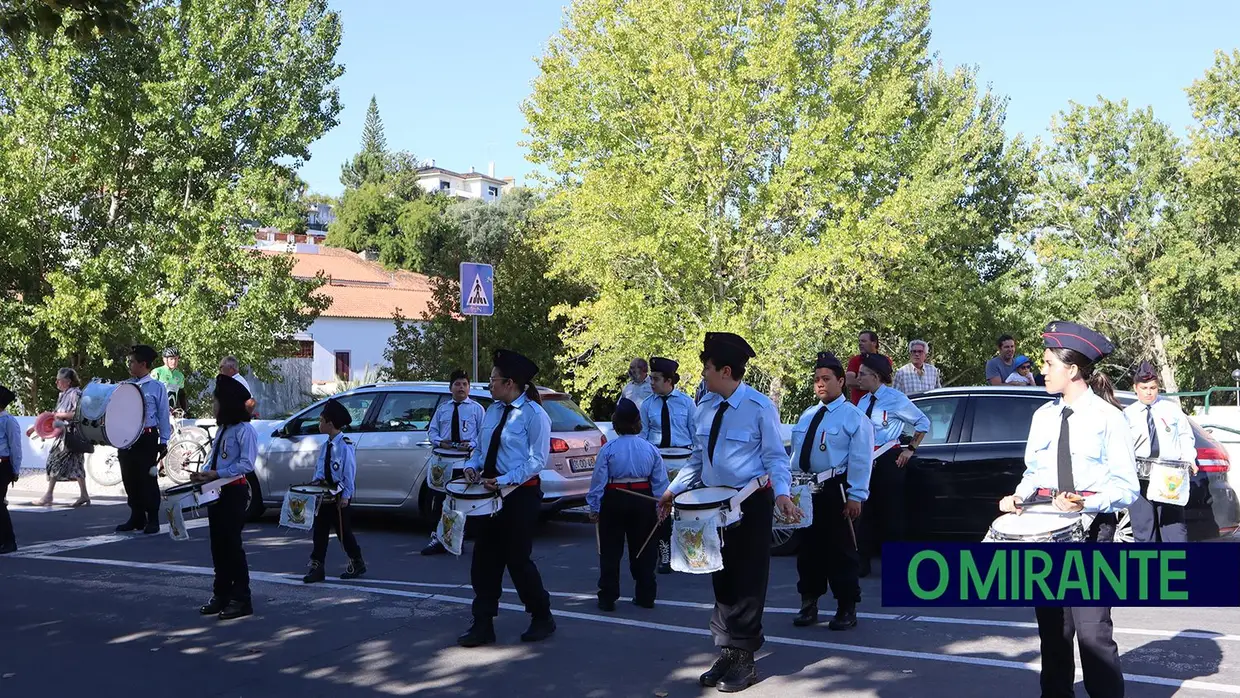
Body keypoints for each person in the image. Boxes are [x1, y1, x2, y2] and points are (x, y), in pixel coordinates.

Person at [998, 321, 1138, 698]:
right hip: (1047, 533)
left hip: (1093, 532)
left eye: (1048, 362)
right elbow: (1033, 472)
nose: (1041, 369)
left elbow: (1128, 487)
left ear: (1072, 368)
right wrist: (1018, 498)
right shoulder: (1042, 416)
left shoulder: (1109, 417)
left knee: (1094, 636)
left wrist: (1087, 501)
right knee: (1053, 635)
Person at [656, 332, 797, 693]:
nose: (702, 374)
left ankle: (744, 657)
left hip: (748, 504)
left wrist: (782, 495)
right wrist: (672, 491)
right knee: (720, 577)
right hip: (711, 507)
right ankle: (727, 650)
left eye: (707, 368)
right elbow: (696, 459)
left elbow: (775, 458)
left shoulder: (759, 407)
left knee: (748, 581)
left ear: (726, 370)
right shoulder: (704, 407)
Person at [457, 349, 556, 648]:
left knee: (518, 560)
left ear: (510, 382)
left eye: (492, 379)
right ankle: (483, 623)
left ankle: (542, 615)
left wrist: (501, 480)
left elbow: (536, 461)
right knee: (484, 560)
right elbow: (480, 448)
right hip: (487, 496)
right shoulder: (493, 410)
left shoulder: (534, 415)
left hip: (518, 495)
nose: (488, 385)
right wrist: (472, 467)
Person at [790, 352, 874, 631]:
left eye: (826, 379)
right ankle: (809, 602)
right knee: (808, 551)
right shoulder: (808, 414)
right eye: (816, 379)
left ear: (841, 381)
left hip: (835, 489)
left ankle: (846, 607)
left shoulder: (854, 417)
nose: (820, 384)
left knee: (841, 551)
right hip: (805, 488)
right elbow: (796, 455)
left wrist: (856, 496)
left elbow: (861, 459)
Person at [587, 398, 669, 611]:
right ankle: (646, 594)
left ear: (616, 422)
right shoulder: (650, 449)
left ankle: (607, 596)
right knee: (644, 549)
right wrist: (661, 507)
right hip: (643, 499)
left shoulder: (609, 449)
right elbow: (660, 481)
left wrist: (594, 507)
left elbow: (599, 481)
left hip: (615, 498)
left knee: (610, 550)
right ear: (637, 422)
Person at [855, 353, 929, 576]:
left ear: (876, 376)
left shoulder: (895, 398)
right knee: (863, 513)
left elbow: (922, 422)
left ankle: (896, 564)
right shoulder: (863, 401)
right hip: (866, 461)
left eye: (862, 375)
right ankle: (862, 562)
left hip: (888, 459)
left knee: (891, 513)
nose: (858, 378)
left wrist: (910, 449)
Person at [192, 374, 257, 620]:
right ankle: (221, 594)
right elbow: (214, 458)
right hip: (216, 492)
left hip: (234, 491)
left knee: (232, 546)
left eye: (216, 402)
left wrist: (217, 473)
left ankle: (241, 598)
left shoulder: (244, 430)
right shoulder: (223, 430)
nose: (213, 406)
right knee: (218, 546)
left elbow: (246, 464)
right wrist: (202, 475)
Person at [1124, 361, 1196, 543]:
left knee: (1174, 530)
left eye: (1153, 387)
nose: (1149, 392)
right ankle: (1148, 570)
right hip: (1140, 477)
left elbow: (1186, 436)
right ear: (1136, 388)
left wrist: (1190, 459)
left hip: (1169, 476)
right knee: (1143, 530)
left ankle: (1177, 568)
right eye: (1144, 387)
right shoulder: (1127, 414)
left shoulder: (1171, 409)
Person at [421, 369, 486, 556]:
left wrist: (472, 443)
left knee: (460, 503)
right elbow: (432, 431)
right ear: (451, 388)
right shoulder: (443, 409)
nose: (461, 388)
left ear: (469, 388)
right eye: (457, 384)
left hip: (463, 462)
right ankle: (438, 538)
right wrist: (441, 442)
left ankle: (457, 539)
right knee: (439, 502)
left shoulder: (476, 409)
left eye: (465, 384)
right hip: (443, 463)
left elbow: (483, 435)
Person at [640, 356, 695, 574]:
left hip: (682, 460)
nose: (651, 383)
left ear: (669, 380)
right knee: (660, 509)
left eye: (655, 379)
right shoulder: (647, 405)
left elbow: (695, 434)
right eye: (651, 378)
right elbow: (643, 436)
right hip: (658, 460)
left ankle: (687, 553)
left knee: (684, 509)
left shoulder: (687, 402)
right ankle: (664, 554)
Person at [302, 398, 366, 583]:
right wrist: (315, 483)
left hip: (338, 496)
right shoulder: (326, 445)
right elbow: (320, 468)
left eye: (321, 420)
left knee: (343, 532)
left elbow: (348, 472)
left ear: (330, 424)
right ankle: (317, 566)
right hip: (324, 495)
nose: (319, 424)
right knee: (319, 531)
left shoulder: (345, 446)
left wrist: (346, 495)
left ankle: (357, 560)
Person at [117, 345, 172, 535]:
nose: (129, 365)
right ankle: (136, 515)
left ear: (143, 364)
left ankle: (153, 517)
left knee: (147, 478)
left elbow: (164, 415)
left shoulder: (157, 387)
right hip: (127, 437)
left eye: (132, 361)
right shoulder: (125, 386)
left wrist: (164, 440)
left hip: (146, 437)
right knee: (129, 477)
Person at [28, 368, 90, 508]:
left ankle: (48, 495)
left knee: (54, 461)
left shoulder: (75, 393)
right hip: (63, 434)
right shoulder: (63, 395)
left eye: (59, 379)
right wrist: (36, 428)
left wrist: (60, 416)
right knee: (76, 465)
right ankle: (84, 495)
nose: (56, 382)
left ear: (68, 381)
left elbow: (78, 414)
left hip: (71, 434)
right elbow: (53, 416)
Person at [0, 384, 22, 554]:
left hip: (2, 464)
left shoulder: (8, 421)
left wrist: (15, 469)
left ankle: (9, 540)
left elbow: (15, 447)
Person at [846, 330, 882, 404]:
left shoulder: (884, 360)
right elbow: (849, 381)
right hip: (858, 405)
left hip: (880, 404)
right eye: (859, 341)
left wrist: (863, 382)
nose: (860, 344)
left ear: (874, 343)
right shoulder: (855, 360)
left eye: (863, 341)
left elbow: (886, 381)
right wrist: (872, 385)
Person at [152, 347, 189, 412]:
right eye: (171, 359)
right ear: (165, 359)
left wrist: (184, 411)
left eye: (176, 359)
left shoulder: (180, 375)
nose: (174, 361)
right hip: (157, 410)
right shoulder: (157, 372)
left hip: (172, 412)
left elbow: (181, 395)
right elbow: (150, 392)